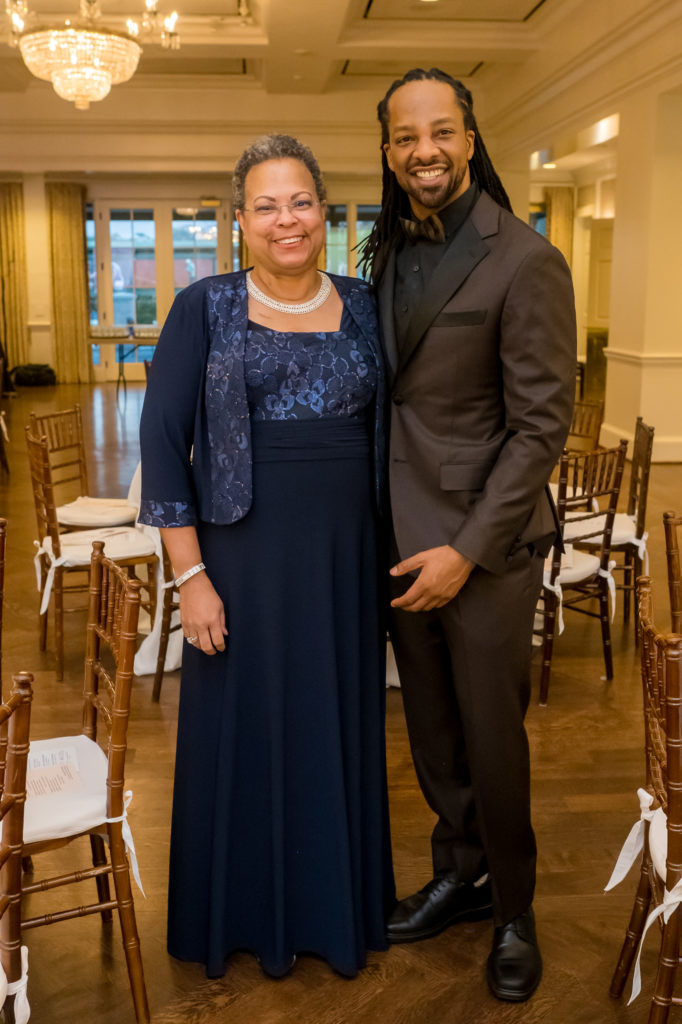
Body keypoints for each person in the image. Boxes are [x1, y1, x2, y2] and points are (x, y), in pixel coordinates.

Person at [139, 134, 395, 979]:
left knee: (334, 723)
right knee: (243, 730)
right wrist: (191, 579)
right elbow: (163, 445)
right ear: (240, 220)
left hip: (345, 560)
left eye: (301, 201)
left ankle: (333, 909)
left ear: (324, 211)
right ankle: (240, 915)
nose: (287, 219)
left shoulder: (366, 302)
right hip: (239, 559)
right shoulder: (204, 306)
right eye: (266, 205)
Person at [359, 68, 576, 1002]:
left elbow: (541, 426)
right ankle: (461, 872)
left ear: (470, 138)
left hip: (482, 550)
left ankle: (515, 909)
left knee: (492, 737)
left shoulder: (525, 258)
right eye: (407, 137)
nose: (425, 151)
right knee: (434, 731)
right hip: (400, 540)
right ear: (388, 152)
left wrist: (467, 549)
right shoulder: (387, 250)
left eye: (441, 131)